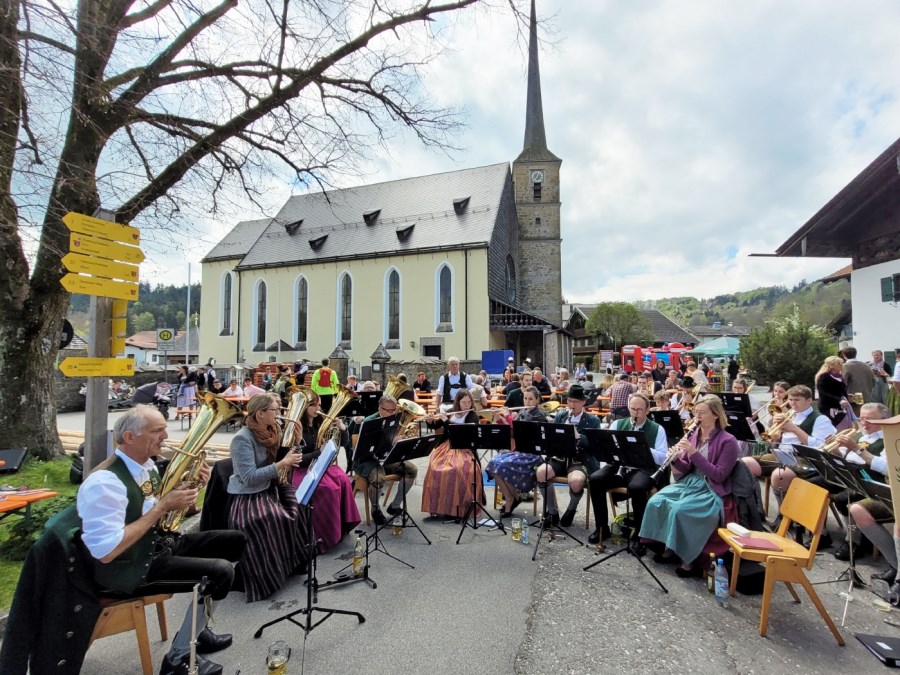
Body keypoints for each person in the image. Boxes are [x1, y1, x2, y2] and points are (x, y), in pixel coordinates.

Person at [78, 406, 245, 675]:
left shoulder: (146, 467)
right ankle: (178, 658)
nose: (166, 435)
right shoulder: (105, 482)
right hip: (127, 568)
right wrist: (162, 507)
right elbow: (105, 551)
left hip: (154, 546)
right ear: (130, 437)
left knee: (234, 541)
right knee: (220, 573)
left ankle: (197, 628)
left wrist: (191, 491)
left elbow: (164, 517)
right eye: (157, 430)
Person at [641, 395, 740, 577]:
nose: (697, 416)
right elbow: (686, 468)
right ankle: (669, 546)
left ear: (716, 415)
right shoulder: (694, 434)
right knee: (657, 500)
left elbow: (719, 475)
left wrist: (694, 453)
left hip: (711, 488)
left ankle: (689, 560)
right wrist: (676, 460)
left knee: (681, 510)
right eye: (696, 412)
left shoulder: (728, 441)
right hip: (690, 482)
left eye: (702, 412)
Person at [227, 393, 307, 602]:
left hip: (269, 487)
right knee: (269, 519)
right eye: (275, 410)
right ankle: (266, 578)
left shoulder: (272, 430)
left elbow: (282, 457)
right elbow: (249, 478)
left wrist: (296, 442)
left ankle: (291, 565)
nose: (279, 414)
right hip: (248, 496)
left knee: (300, 505)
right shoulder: (242, 438)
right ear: (260, 413)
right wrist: (282, 464)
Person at [588, 393, 668, 550]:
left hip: (644, 469)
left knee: (636, 488)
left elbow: (663, 457)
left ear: (647, 410)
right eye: (632, 409)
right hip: (620, 467)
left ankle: (640, 536)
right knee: (595, 479)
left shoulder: (657, 429)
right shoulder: (618, 424)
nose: (635, 413)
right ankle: (602, 529)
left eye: (639, 409)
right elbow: (608, 447)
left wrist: (642, 447)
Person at [288, 391, 361, 552]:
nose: (318, 408)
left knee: (343, 480)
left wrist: (343, 429)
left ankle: (342, 526)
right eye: (313, 405)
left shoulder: (321, 422)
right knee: (327, 489)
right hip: (302, 469)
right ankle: (324, 535)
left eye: (319, 405)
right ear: (305, 407)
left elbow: (344, 444)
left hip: (319, 466)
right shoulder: (296, 427)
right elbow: (296, 458)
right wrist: (318, 453)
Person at [536, 384, 601, 527]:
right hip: (560, 457)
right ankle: (552, 512)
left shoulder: (593, 420)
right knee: (541, 473)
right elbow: (552, 440)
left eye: (575, 401)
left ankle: (571, 510)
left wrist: (579, 436)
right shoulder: (561, 415)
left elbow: (595, 445)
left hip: (579, 459)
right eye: (570, 401)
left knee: (577, 481)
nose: (571, 404)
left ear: (583, 402)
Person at [353, 394, 419, 525]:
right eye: (388, 410)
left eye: (394, 410)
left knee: (412, 470)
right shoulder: (369, 422)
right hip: (368, 460)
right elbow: (363, 448)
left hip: (386, 457)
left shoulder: (396, 419)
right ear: (380, 409)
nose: (392, 413)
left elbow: (394, 442)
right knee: (378, 479)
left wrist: (402, 441)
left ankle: (394, 506)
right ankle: (375, 509)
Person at [421, 389, 482, 518]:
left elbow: (463, 433)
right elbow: (435, 425)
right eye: (463, 402)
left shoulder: (473, 416)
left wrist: (446, 422)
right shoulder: (451, 412)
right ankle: (439, 507)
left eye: (469, 402)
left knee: (457, 469)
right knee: (434, 467)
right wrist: (430, 421)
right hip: (446, 447)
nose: (466, 405)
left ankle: (457, 507)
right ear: (457, 402)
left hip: (463, 448)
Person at [486, 386, 546, 516]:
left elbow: (522, 430)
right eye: (525, 398)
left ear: (536, 400)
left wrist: (508, 416)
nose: (527, 401)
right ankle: (511, 498)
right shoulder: (522, 412)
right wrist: (498, 417)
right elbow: (512, 433)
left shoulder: (538, 415)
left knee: (501, 465)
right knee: (493, 464)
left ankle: (512, 500)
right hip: (519, 452)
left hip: (531, 455)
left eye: (531, 399)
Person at [816, 355, 850, 426]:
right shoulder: (824, 377)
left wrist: (846, 396)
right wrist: (839, 400)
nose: (841, 365)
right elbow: (823, 393)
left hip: (840, 407)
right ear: (832, 365)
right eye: (839, 364)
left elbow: (841, 390)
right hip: (828, 407)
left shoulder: (839, 376)